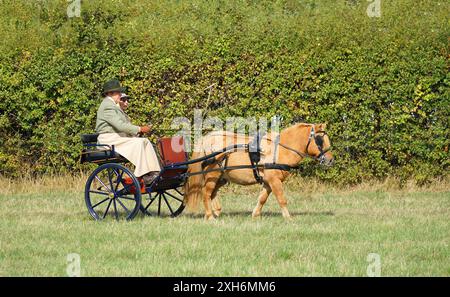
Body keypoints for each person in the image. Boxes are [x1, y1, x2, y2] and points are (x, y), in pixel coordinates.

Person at [95, 79, 161, 184]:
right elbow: (120, 125)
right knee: (138, 143)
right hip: (109, 139)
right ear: (110, 93)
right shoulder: (107, 106)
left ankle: (154, 172)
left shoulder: (112, 105)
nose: (120, 95)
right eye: (118, 93)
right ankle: (142, 174)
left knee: (145, 141)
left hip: (116, 137)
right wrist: (139, 129)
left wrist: (138, 131)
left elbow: (123, 125)